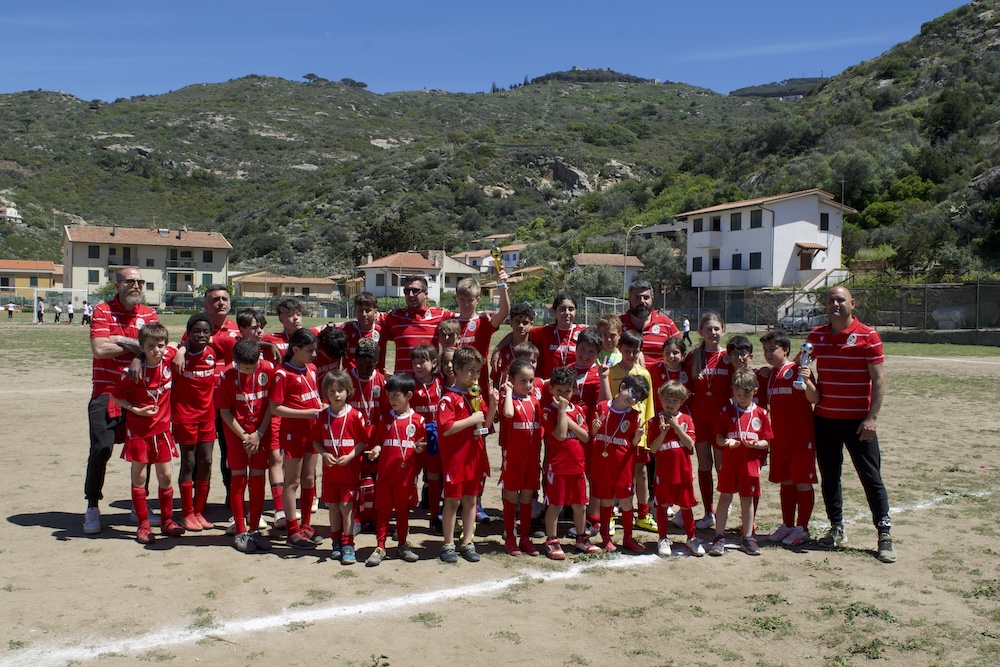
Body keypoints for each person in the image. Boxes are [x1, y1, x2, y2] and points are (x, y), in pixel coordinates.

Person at [807, 286, 895, 563]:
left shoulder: (868, 336)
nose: (835, 304)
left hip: (859, 422)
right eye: (831, 300)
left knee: (871, 477)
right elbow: (801, 365)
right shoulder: (816, 336)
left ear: (852, 304)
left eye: (840, 299)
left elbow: (879, 380)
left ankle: (884, 533)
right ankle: (836, 528)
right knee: (830, 476)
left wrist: (872, 418)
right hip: (825, 419)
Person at [84, 268, 159, 535]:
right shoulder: (103, 310)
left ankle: (139, 508)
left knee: (143, 452)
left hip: (138, 392)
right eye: (130, 281)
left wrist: (124, 343)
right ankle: (92, 506)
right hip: (106, 390)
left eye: (140, 281)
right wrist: (136, 346)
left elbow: (154, 349)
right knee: (102, 448)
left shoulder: (148, 314)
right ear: (117, 285)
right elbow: (100, 350)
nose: (136, 285)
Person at [109, 323, 185, 544]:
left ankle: (167, 521)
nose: (157, 350)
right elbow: (115, 396)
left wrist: (178, 350)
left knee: (166, 476)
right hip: (140, 432)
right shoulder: (132, 373)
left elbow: (175, 344)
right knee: (140, 478)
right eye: (150, 346)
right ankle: (143, 525)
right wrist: (135, 410)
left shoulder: (168, 361)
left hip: (162, 432)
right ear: (141, 347)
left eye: (159, 346)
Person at [436, 346, 499, 563]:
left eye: (477, 371)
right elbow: (446, 427)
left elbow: (485, 426)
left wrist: (493, 404)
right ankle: (448, 543)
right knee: (452, 502)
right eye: (470, 370)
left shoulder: (475, 396)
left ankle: (468, 541)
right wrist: (472, 420)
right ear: (456, 369)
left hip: (474, 458)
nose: (474, 375)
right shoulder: (448, 399)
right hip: (455, 460)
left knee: (471, 500)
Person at [759, 330, 818, 547]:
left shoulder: (798, 369)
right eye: (765, 350)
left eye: (772, 349)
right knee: (787, 480)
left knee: (802, 481)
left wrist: (807, 379)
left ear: (785, 350)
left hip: (801, 437)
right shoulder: (772, 374)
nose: (768, 353)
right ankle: (787, 524)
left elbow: (814, 398)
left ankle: (802, 527)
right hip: (780, 438)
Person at [216, 338, 275, 553]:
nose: (252, 371)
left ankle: (254, 530)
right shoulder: (226, 375)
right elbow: (224, 411)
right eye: (246, 368)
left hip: (261, 433)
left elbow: (271, 405)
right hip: (236, 434)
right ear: (236, 362)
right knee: (238, 480)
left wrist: (258, 434)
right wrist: (245, 436)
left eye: (254, 366)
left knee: (258, 480)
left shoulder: (267, 369)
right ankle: (240, 530)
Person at [270, 328, 326, 549]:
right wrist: (306, 413)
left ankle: (306, 526)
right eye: (310, 350)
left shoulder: (312, 369)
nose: (314, 354)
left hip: (312, 432)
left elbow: (313, 397)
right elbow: (275, 408)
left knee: (309, 479)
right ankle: (292, 530)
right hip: (293, 434)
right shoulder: (282, 374)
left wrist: (321, 406)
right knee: (292, 482)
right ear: (295, 350)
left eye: (315, 350)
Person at [709, 368, 772, 557]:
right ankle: (719, 536)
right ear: (733, 392)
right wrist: (726, 442)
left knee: (747, 499)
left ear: (755, 390)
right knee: (725, 497)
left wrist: (755, 444)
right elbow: (718, 439)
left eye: (746, 394)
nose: (742, 398)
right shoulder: (727, 411)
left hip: (750, 464)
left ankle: (748, 536)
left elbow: (767, 442)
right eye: (738, 394)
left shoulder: (761, 413)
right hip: (730, 463)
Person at [366, 373, 426, 566]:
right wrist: (376, 449)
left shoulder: (418, 421)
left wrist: (418, 449)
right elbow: (379, 442)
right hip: (385, 476)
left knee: (402, 511)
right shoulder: (385, 419)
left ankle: (402, 544)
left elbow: (421, 446)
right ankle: (380, 546)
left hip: (405, 477)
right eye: (389, 395)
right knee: (383, 512)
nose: (391, 400)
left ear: (409, 396)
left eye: (396, 396)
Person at [541, 366, 601, 556]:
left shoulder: (578, 410)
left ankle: (582, 537)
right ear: (551, 389)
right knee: (556, 505)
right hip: (558, 466)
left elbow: (584, 436)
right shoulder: (548, 411)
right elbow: (559, 435)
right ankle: (552, 539)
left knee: (580, 504)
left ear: (573, 390)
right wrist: (561, 412)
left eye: (567, 390)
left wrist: (569, 418)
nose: (563, 395)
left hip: (577, 465)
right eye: (559, 390)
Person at [312, 370, 368, 565]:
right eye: (332, 391)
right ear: (325, 394)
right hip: (331, 474)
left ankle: (348, 544)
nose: (337, 395)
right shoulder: (321, 417)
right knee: (333, 507)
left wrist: (351, 456)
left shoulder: (355, 416)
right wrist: (324, 454)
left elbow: (362, 441)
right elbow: (316, 442)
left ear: (348, 391)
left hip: (349, 473)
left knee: (347, 507)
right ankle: (336, 543)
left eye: (341, 390)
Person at [684, 312, 734, 531]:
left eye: (716, 328)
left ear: (723, 330)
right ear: (700, 332)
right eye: (708, 329)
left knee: (722, 466)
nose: (713, 332)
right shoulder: (693, 357)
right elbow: (685, 388)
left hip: (722, 418)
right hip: (700, 417)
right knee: (705, 465)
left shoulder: (729, 357)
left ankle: (725, 506)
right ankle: (708, 512)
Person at [590, 374, 650, 554]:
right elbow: (593, 434)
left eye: (638, 398)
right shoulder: (601, 407)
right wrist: (594, 426)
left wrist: (639, 436)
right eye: (632, 393)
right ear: (622, 386)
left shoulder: (633, 415)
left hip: (623, 465)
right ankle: (606, 538)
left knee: (625, 501)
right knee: (606, 500)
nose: (633, 399)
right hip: (603, 463)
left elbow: (632, 442)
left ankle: (628, 538)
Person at [171, 314, 219, 532]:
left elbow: (245, 343)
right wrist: (180, 349)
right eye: (196, 331)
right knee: (189, 463)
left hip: (207, 417)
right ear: (188, 333)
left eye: (205, 331)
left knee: (207, 461)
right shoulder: (177, 356)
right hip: (185, 416)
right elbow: (149, 353)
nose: (201, 335)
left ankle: (199, 511)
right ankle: (187, 513)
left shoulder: (213, 352)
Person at [608, 330, 657, 534]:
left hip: (638, 433)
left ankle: (643, 514)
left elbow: (648, 407)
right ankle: (610, 514)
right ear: (619, 349)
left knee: (641, 473)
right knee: (615, 473)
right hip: (618, 433)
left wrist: (645, 432)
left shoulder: (644, 374)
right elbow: (610, 401)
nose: (630, 355)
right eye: (626, 351)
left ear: (640, 351)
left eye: (634, 351)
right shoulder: (613, 372)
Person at [648, 380, 701, 556]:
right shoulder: (655, 421)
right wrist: (663, 432)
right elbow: (653, 450)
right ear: (660, 399)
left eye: (674, 401)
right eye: (667, 400)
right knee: (662, 506)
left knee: (686, 506)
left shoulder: (686, 419)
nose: (670, 404)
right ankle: (663, 538)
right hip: (664, 474)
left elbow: (691, 445)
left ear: (681, 402)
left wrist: (677, 427)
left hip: (684, 473)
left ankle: (691, 538)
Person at [499, 359, 543, 557]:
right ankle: (510, 537)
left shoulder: (535, 400)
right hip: (514, 458)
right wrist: (508, 391)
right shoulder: (508, 400)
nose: (528, 385)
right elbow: (508, 414)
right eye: (523, 381)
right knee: (511, 496)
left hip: (531, 458)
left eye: (531, 381)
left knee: (527, 497)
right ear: (511, 380)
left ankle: (525, 537)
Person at [381, 276, 456, 374]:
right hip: (403, 383)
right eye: (407, 291)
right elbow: (370, 320)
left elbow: (466, 319)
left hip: (430, 383)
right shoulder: (394, 316)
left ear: (426, 294)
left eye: (415, 291)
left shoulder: (440, 315)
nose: (410, 295)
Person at [410, 344, 444, 532]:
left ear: (433, 363)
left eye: (422, 362)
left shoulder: (441, 381)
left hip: (435, 436)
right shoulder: (409, 384)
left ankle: (434, 515)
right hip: (415, 436)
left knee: (433, 476)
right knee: (410, 476)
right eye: (415, 363)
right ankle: (403, 514)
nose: (418, 366)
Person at [455, 274, 509, 389]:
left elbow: (504, 312)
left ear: (478, 299)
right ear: (457, 298)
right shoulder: (451, 322)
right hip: (455, 383)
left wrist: (502, 285)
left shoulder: (483, 321)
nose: (466, 304)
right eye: (462, 299)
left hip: (479, 383)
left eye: (470, 300)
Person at [526, 293, 588, 380]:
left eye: (571, 309)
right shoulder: (545, 331)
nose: (567, 313)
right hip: (550, 385)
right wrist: (499, 348)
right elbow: (521, 333)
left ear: (576, 311)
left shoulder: (583, 332)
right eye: (562, 309)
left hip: (575, 386)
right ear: (554, 312)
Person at [620, 280, 680, 366]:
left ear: (652, 299)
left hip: (661, 378)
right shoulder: (617, 325)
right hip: (624, 378)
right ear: (629, 299)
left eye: (646, 297)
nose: (642, 301)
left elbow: (680, 355)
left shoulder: (667, 324)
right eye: (637, 297)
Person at [490, 301, 535, 389]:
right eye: (517, 322)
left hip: (528, 399)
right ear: (510, 323)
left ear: (531, 324)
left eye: (525, 323)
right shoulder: (502, 351)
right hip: (506, 397)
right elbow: (495, 377)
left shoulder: (535, 349)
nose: (521, 325)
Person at [340, 291, 385, 371]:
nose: (364, 314)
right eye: (360, 311)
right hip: (351, 378)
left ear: (375, 312)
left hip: (374, 379)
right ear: (355, 312)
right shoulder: (347, 329)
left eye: (368, 311)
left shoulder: (382, 331)